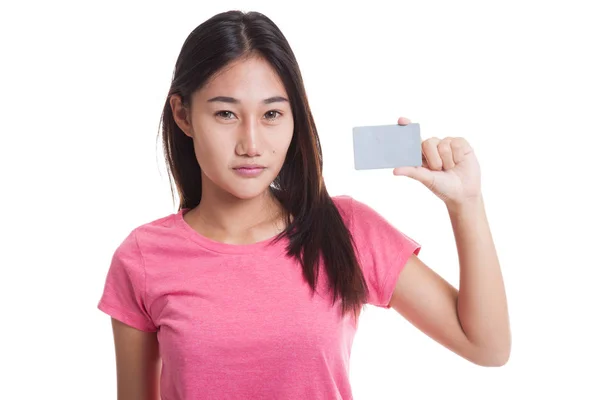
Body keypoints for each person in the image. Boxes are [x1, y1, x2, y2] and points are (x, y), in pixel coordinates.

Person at [97, 9, 511, 400]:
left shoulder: (346, 228)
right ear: (183, 115)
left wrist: (466, 203)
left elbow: (487, 347)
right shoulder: (143, 258)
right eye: (226, 114)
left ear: (296, 118)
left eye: (272, 114)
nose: (251, 144)